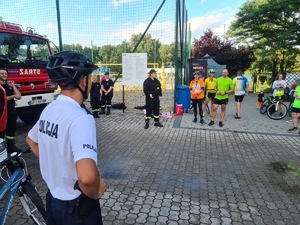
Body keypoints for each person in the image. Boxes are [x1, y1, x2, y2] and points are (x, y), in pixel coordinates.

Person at [26, 51, 106, 225]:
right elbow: (87, 177)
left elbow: (30, 140)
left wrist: (55, 163)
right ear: (84, 80)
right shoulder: (81, 117)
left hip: (53, 201)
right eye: (90, 77)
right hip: (77, 208)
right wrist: (96, 191)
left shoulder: (50, 108)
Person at [0, 66, 22, 153]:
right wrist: (13, 96)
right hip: (2, 113)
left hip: (12, 112)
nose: (4, 75)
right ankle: (2, 151)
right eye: (2, 73)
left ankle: (11, 147)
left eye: (5, 73)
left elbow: (19, 96)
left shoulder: (8, 85)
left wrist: (13, 86)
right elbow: (2, 98)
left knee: (11, 131)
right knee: (1, 132)